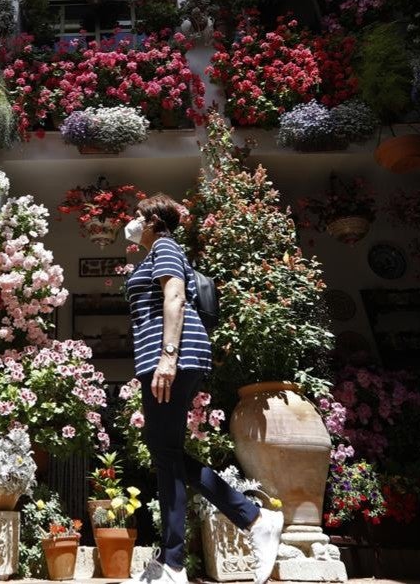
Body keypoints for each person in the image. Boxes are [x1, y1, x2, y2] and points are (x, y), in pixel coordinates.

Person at [121, 193, 283, 584]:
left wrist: (168, 357)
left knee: (164, 450)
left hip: (173, 357)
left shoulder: (164, 245)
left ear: (153, 220)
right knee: (167, 452)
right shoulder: (156, 251)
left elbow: (174, 297)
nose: (130, 221)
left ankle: (249, 520)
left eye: (136, 216)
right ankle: (181, 557)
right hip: (164, 358)